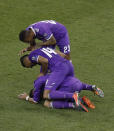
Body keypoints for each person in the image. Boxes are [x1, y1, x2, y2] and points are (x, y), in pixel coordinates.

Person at [18, 74, 104, 112]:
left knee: (47, 103)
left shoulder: (47, 92)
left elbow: (35, 101)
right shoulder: (46, 78)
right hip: (76, 81)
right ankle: (90, 87)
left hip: (71, 89)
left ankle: (76, 103)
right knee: (76, 84)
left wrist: (26, 97)